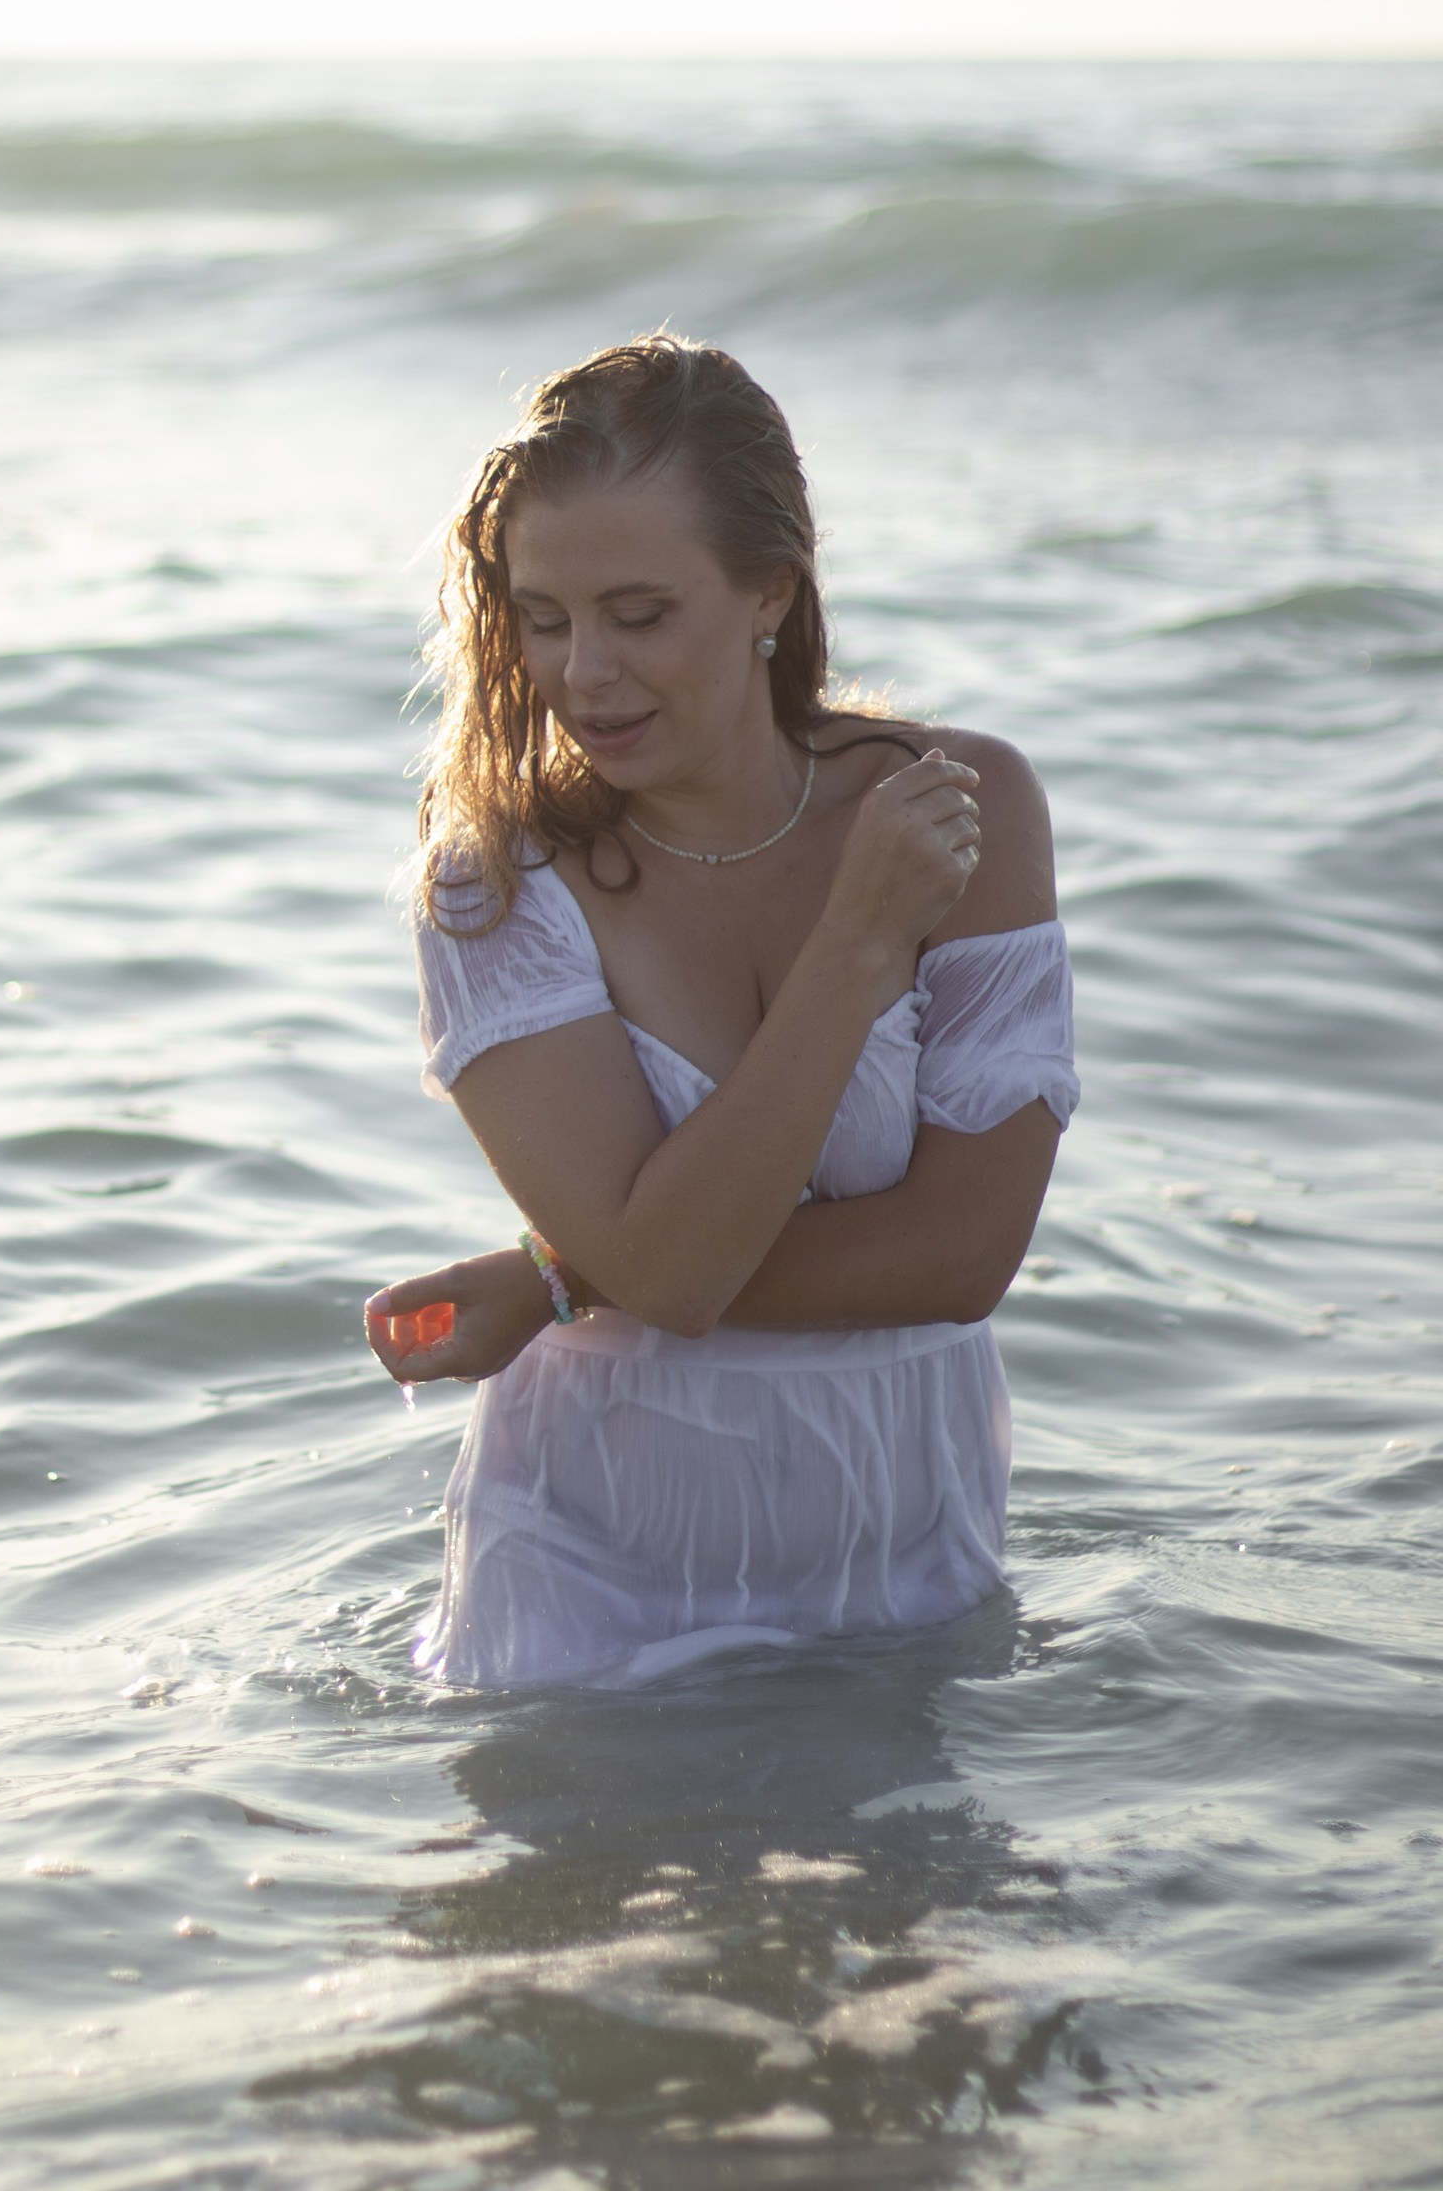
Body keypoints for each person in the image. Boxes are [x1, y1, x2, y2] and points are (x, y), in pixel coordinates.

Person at [364, 335, 1078, 1689]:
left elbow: (963, 1252)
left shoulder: (963, 807)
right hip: (584, 1594)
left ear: (769, 593)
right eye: (544, 616)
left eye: (640, 614)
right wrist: (859, 942)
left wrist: (568, 1273)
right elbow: (677, 1276)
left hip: (906, 1561)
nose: (584, 674)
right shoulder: (495, 882)